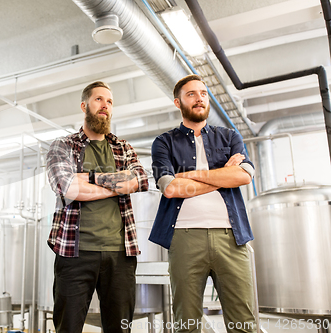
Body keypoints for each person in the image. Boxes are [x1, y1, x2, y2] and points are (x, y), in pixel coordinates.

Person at [149, 74, 256, 333]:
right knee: (186, 324)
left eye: (203, 93)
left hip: (232, 237)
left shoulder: (229, 137)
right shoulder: (164, 142)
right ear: (178, 102)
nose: (199, 98)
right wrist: (223, 176)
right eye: (191, 94)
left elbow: (244, 175)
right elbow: (171, 188)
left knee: (244, 323)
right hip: (184, 238)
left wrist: (188, 174)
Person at [46, 81, 149, 333]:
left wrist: (87, 177)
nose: (105, 105)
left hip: (120, 255)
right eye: (99, 99)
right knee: (67, 328)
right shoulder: (64, 146)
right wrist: (116, 181)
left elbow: (139, 181)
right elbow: (67, 188)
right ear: (84, 106)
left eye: (110, 101)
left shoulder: (123, 148)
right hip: (74, 253)